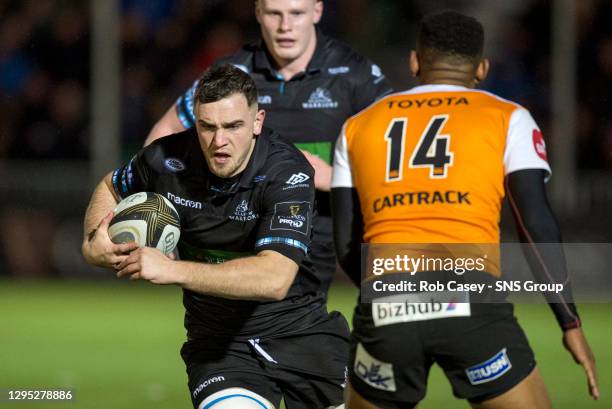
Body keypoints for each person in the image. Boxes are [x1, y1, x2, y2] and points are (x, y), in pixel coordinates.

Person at [331, 11, 599, 409]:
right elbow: (535, 224)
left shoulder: (357, 125)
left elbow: (346, 242)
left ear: (415, 62)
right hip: (472, 303)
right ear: (482, 68)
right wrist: (569, 322)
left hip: (387, 306)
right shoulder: (509, 118)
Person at [82, 64, 349, 409]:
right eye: (207, 127)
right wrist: (93, 241)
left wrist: (171, 270)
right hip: (221, 346)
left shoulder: (288, 173)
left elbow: (275, 278)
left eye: (233, 126)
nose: (218, 141)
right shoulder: (167, 158)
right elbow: (111, 185)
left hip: (301, 333)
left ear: (257, 121)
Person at [146, 0, 393, 297]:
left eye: (296, 14)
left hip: (323, 233)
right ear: (258, 13)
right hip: (241, 230)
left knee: (392, 312)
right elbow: (163, 135)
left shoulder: (355, 74)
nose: (285, 26)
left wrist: (334, 175)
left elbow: (397, 153)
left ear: (317, 11)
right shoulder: (234, 73)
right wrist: (164, 219)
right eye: (275, 13)